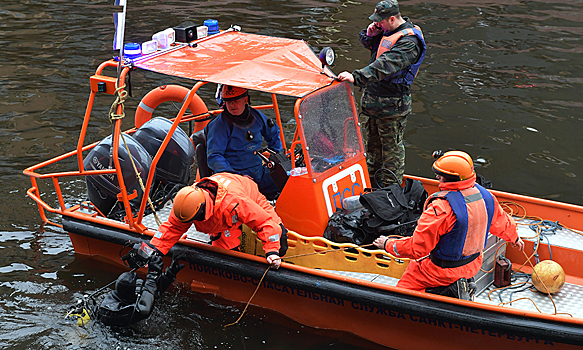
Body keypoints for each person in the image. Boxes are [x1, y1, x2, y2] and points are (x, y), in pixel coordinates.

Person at [373, 151, 525, 297]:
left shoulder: (440, 209)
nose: (438, 178)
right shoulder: (486, 197)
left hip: (441, 271)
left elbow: (417, 249)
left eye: (439, 176)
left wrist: (388, 244)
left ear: (446, 178)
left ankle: (439, 295)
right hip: (473, 264)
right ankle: (453, 288)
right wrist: (515, 238)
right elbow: (502, 222)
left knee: (402, 292)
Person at [337, 0, 426, 187]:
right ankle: (371, 187)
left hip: (392, 105)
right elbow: (374, 49)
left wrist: (356, 77)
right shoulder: (386, 31)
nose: (378, 24)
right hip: (373, 103)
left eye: (381, 21)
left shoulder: (409, 42)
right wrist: (370, 34)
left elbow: (385, 64)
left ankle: (391, 192)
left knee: (391, 152)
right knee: (372, 151)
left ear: (392, 19)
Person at [149, 172, 288, 269]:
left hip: (248, 193)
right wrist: (154, 251)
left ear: (202, 209)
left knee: (279, 234)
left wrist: (272, 253)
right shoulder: (185, 203)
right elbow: (173, 227)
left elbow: (265, 223)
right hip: (224, 216)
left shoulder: (235, 202)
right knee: (224, 257)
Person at [205, 85, 283, 200]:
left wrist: (276, 156)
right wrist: (237, 176)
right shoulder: (218, 126)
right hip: (232, 177)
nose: (232, 105)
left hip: (258, 172)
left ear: (245, 100)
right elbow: (214, 157)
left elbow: (273, 132)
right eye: (228, 102)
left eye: (235, 101)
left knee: (286, 183)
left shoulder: (257, 117)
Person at [97, 254, 185, 327]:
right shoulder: (109, 311)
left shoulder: (125, 296)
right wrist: (151, 276)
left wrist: (169, 274)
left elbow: (151, 293)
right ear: (132, 293)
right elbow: (144, 309)